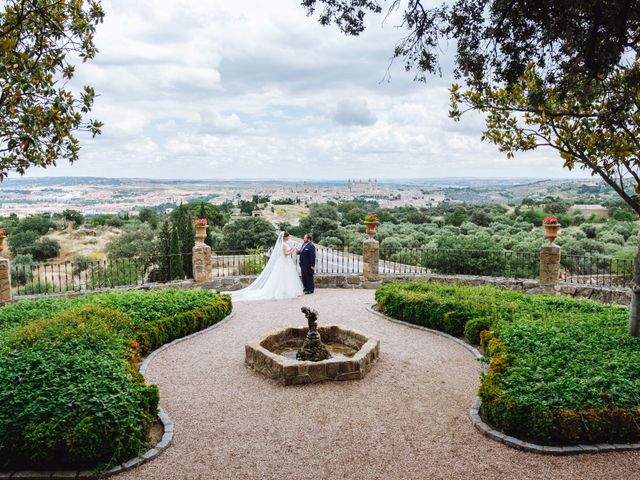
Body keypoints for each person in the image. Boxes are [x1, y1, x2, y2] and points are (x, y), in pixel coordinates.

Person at [227, 231, 304, 301]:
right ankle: (282, 291)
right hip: (284, 262)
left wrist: (291, 250)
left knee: (284, 276)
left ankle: (285, 290)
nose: (289, 238)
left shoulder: (283, 244)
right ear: (285, 237)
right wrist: (293, 250)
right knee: (282, 276)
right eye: (288, 236)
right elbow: (285, 254)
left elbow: (286, 252)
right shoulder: (283, 244)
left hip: (285, 262)